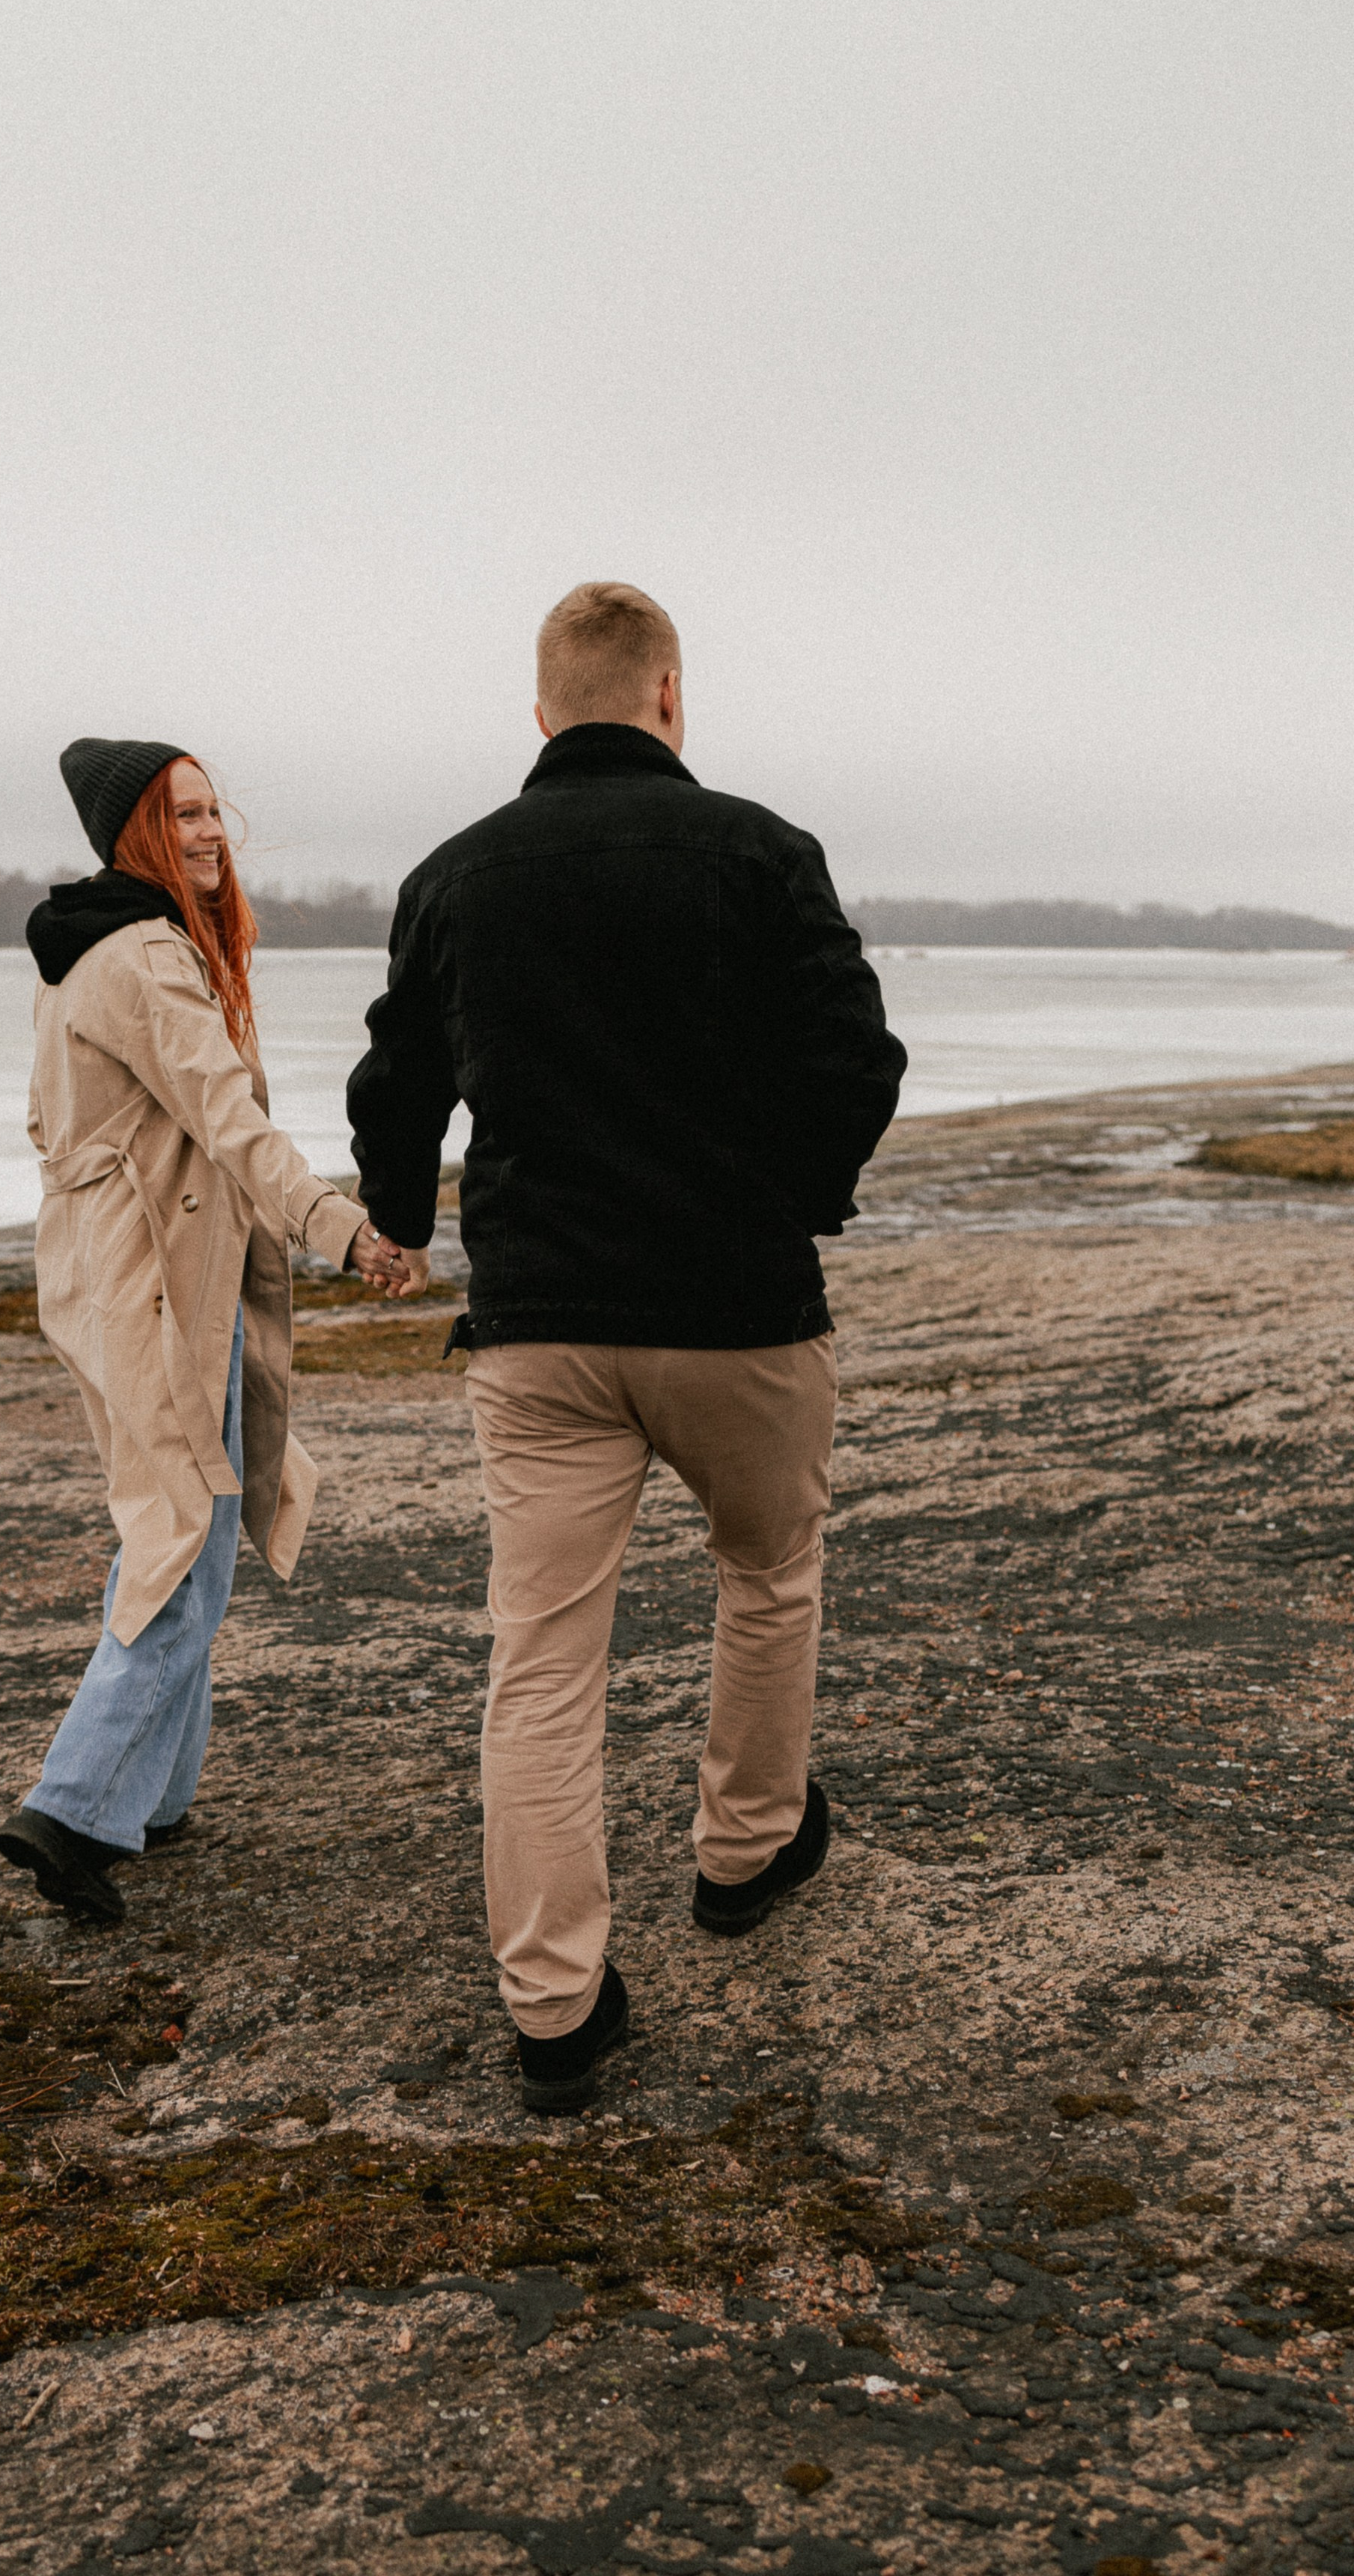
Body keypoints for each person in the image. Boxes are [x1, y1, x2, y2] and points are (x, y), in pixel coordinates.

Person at [347, 583, 906, 2113]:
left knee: (542, 1657)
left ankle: (554, 2009)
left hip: (542, 1325)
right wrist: (794, 1197)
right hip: (738, 1307)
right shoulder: (761, 853)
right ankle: (745, 1851)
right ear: (670, 694)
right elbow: (858, 1059)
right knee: (768, 1571)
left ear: (543, 712)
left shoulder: (452, 876)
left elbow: (397, 1083)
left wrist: (397, 1214)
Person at [0, 738, 405, 1924]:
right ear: (137, 836)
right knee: (182, 1541)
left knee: (183, 1524)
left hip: (108, 1279)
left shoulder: (84, 950)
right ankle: (71, 1810)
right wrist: (340, 1228)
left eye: (213, 809)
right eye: (182, 817)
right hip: (158, 1291)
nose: (212, 832)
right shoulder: (145, 957)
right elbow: (231, 1125)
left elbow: (62, 1125)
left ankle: (156, 1798)